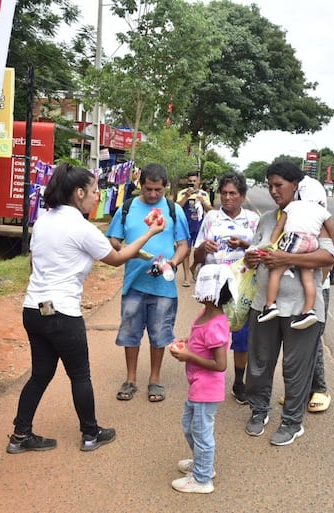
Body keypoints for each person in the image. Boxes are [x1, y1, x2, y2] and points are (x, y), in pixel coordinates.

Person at [8, 163, 165, 455]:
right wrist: (151, 234)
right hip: (63, 312)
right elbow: (118, 258)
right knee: (80, 375)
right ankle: (91, 434)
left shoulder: (43, 221)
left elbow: (34, 263)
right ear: (79, 193)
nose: (97, 197)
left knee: (41, 373)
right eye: (94, 191)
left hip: (34, 308)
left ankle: (20, 435)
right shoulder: (81, 227)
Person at [243, 161, 334, 446]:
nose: (273, 191)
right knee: (259, 363)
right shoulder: (268, 219)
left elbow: (329, 258)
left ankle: (292, 421)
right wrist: (250, 257)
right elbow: (257, 247)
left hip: (301, 308)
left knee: (296, 368)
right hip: (265, 305)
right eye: (270, 185)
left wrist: (287, 259)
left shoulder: (313, 217)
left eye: (279, 185)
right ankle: (259, 410)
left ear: (296, 185)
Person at [107, 163, 190, 402]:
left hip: (163, 285)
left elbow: (184, 245)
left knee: (159, 332)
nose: (153, 194)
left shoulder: (174, 210)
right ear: (140, 185)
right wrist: (125, 250)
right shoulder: (128, 207)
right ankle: (130, 379)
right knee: (130, 332)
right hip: (133, 282)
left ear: (166, 188)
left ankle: (155, 380)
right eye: (148, 189)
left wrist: (173, 263)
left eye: (158, 190)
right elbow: (113, 239)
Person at [193, 173, 259, 405]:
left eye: (233, 194)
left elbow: (262, 250)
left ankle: (239, 382)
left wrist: (244, 245)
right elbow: (197, 253)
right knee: (213, 332)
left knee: (241, 336)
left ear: (243, 196)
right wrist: (204, 247)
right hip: (215, 287)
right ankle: (208, 377)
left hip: (242, 287)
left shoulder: (252, 220)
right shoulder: (211, 218)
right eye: (224, 193)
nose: (228, 198)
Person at [168, 264, 235, 494]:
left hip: (207, 389)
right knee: (189, 426)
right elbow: (200, 339)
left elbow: (220, 364)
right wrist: (188, 341)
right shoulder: (205, 314)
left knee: (201, 432)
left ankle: (202, 479)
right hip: (197, 385)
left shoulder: (216, 324)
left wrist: (188, 355)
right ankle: (201, 464)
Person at [255, 198, 334, 330]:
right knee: (307, 277)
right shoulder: (322, 210)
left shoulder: (292, 205)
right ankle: (308, 310)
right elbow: (332, 232)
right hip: (312, 242)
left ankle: (270, 305)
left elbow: (278, 227)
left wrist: (271, 245)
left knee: (276, 271)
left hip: (295, 239)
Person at [295, 174, 334, 412]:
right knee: (298, 339)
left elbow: (327, 265)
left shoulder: (323, 226)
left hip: (316, 288)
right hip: (297, 288)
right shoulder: (294, 223)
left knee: (313, 336)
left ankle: (319, 388)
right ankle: (302, 390)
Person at [176, 171, 211, 287]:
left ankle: (194, 266)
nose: (192, 183)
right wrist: (186, 196)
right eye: (190, 181)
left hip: (200, 227)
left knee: (201, 251)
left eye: (194, 181)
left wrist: (203, 202)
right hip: (185, 226)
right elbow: (177, 207)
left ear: (199, 182)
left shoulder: (204, 194)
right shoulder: (182, 193)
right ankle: (186, 277)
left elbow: (210, 211)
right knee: (186, 251)